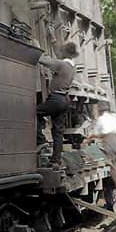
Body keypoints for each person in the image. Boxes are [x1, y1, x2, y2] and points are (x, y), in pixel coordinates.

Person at [36, 31, 79, 168]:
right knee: (58, 132)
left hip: (56, 99)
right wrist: (53, 38)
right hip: (65, 100)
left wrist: (35, 49)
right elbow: (58, 55)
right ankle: (56, 160)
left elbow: (43, 61)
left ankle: (40, 139)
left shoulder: (61, 65)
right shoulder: (71, 66)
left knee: (33, 112)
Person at [86, 109, 116, 211]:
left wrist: (90, 136)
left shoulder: (105, 120)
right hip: (115, 143)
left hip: (109, 143)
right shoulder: (114, 119)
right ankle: (110, 201)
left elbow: (100, 134)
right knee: (111, 168)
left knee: (109, 165)